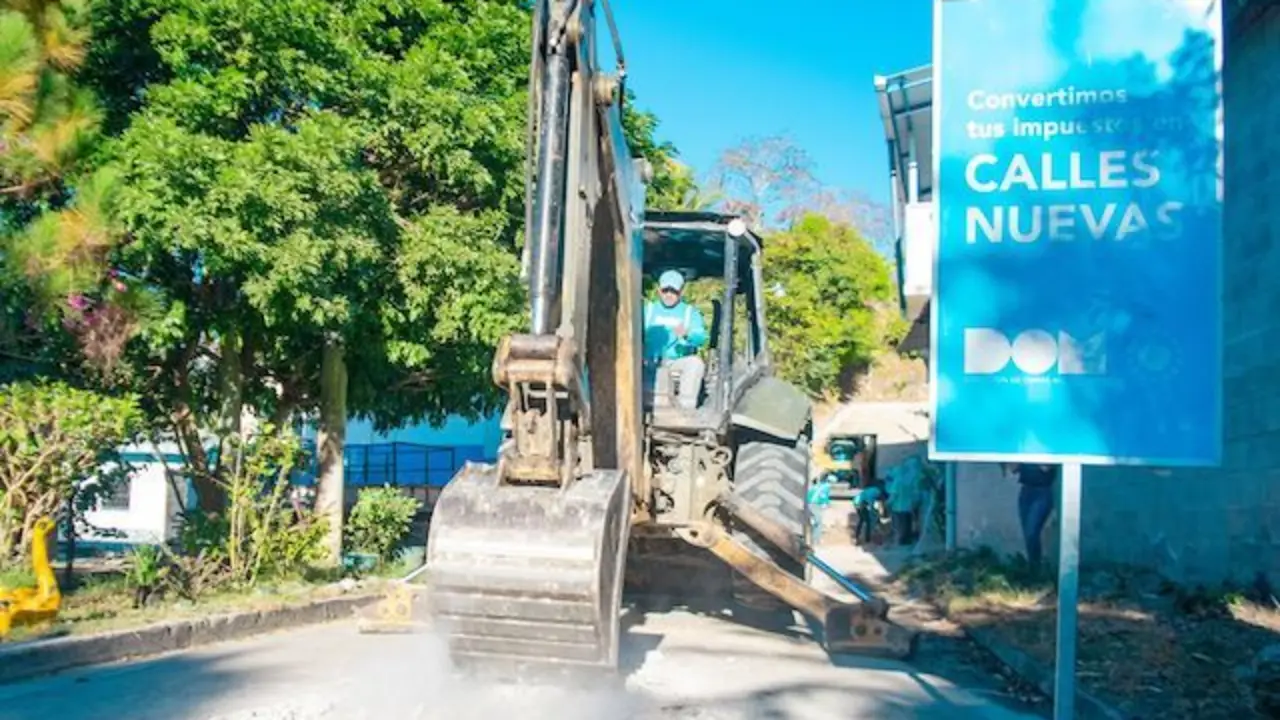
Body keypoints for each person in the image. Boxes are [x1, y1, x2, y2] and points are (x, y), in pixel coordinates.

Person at [642, 270, 709, 409]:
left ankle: (685, 408)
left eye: (673, 291)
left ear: (681, 292)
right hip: (648, 362)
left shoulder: (690, 313)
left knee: (695, 363)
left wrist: (687, 334)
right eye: (665, 290)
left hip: (676, 362)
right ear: (659, 290)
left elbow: (701, 338)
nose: (668, 295)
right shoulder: (647, 310)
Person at [1005, 463, 1058, 568]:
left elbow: (1046, 467)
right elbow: (1013, 469)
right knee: (1028, 533)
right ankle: (1033, 566)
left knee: (1031, 531)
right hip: (1026, 490)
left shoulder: (1047, 449)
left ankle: (1035, 566)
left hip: (1042, 491)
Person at [885, 457, 925, 546]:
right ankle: (908, 539)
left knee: (900, 524)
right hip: (909, 506)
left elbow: (893, 495)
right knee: (908, 523)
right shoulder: (909, 480)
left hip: (898, 507)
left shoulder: (897, 482)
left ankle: (901, 540)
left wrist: (888, 503)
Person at [852, 480, 885, 545]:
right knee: (868, 522)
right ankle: (867, 538)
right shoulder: (876, 491)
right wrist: (874, 513)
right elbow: (870, 503)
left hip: (857, 502)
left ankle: (858, 536)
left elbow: (873, 503)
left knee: (862, 520)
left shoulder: (872, 490)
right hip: (861, 503)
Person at [806, 474, 833, 546]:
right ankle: (816, 541)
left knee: (815, 522)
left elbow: (808, 496)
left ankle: (814, 540)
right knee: (818, 523)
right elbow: (823, 496)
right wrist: (825, 503)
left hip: (810, 504)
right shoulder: (825, 487)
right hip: (816, 505)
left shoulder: (814, 487)